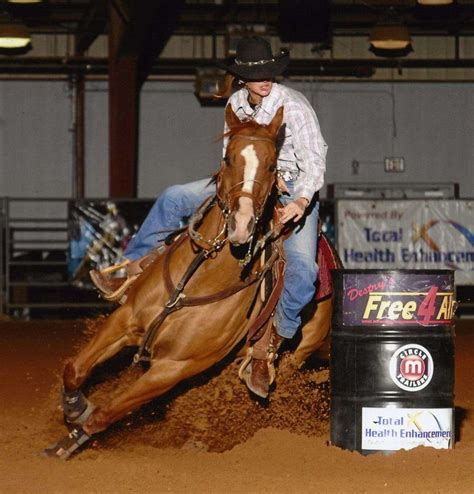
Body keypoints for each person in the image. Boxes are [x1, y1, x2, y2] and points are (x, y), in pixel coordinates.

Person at [90, 35, 327, 397]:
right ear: (243, 78)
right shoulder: (235, 104)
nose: (266, 79)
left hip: (293, 190)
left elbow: (315, 159)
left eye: (270, 72)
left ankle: (271, 343)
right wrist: (229, 189)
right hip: (242, 184)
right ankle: (131, 268)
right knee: (173, 198)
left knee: (304, 270)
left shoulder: (294, 106)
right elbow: (228, 158)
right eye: (257, 73)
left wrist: (299, 202)